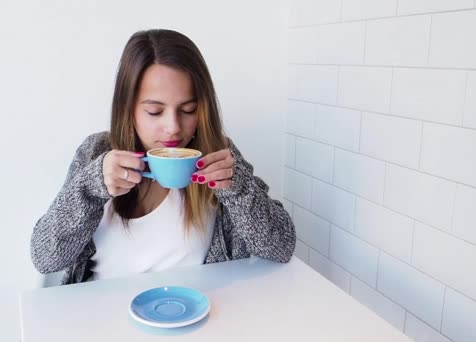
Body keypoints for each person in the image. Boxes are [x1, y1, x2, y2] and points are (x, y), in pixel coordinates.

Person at [30, 29, 296, 285]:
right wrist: (89, 187)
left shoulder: (217, 155)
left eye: (188, 110)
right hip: (106, 319)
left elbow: (282, 246)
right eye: (155, 112)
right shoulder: (96, 152)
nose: (173, 127)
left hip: (198, 317)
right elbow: (45, 258)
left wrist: (239, 189)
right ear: (128, 110)